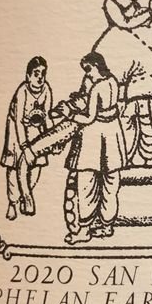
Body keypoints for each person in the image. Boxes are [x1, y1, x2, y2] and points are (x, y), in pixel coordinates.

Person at [57, 52, 127, 242]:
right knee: (111, 184)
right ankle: (107, 226)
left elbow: (89, 117)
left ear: (96, 66)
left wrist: (68, 113)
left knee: (86, 183)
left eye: (88, 70)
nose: (87, 74)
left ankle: (84, 230)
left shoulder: (97, 87)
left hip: (95, 137)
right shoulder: (113, 81)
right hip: (113, 134)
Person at [0, 56, 53, 219]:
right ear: (28, 76)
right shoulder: (22, 91)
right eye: (36, 73)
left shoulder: (46, 90)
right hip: (17, 131)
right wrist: (24, 146)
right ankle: (13, 202)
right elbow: (19, 122)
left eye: (43, 73)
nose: (40, 77)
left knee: (36, 166)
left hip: (35, 129)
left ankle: (26, 194)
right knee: (14, 166)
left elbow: (47, 117)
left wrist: (51, 137)